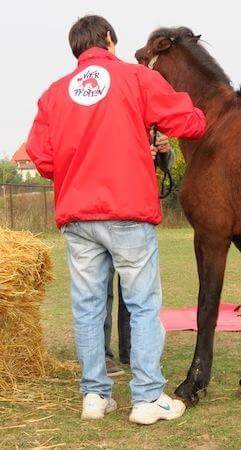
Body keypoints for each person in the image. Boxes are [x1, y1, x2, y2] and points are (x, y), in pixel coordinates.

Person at [26, 15, 207, 424]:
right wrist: (197, 121)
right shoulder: (134, 78)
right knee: (142, 305)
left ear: (76, 47)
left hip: (77, 215)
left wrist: (75, 169)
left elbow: (42, 156)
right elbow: (185, 120)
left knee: (88, 307)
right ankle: (145, 398)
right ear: (109, 39)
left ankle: (95, 396)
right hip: (127, 210)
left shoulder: (54, 93)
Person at [104, 132, 173, 377]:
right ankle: (103, 355)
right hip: (105, 207)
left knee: (134, 289)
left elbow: (164, 167)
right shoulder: (101, 116)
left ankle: (131, 348)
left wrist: (163, 152)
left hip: (135, 212)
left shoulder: (145, 122)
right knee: (103, 289)